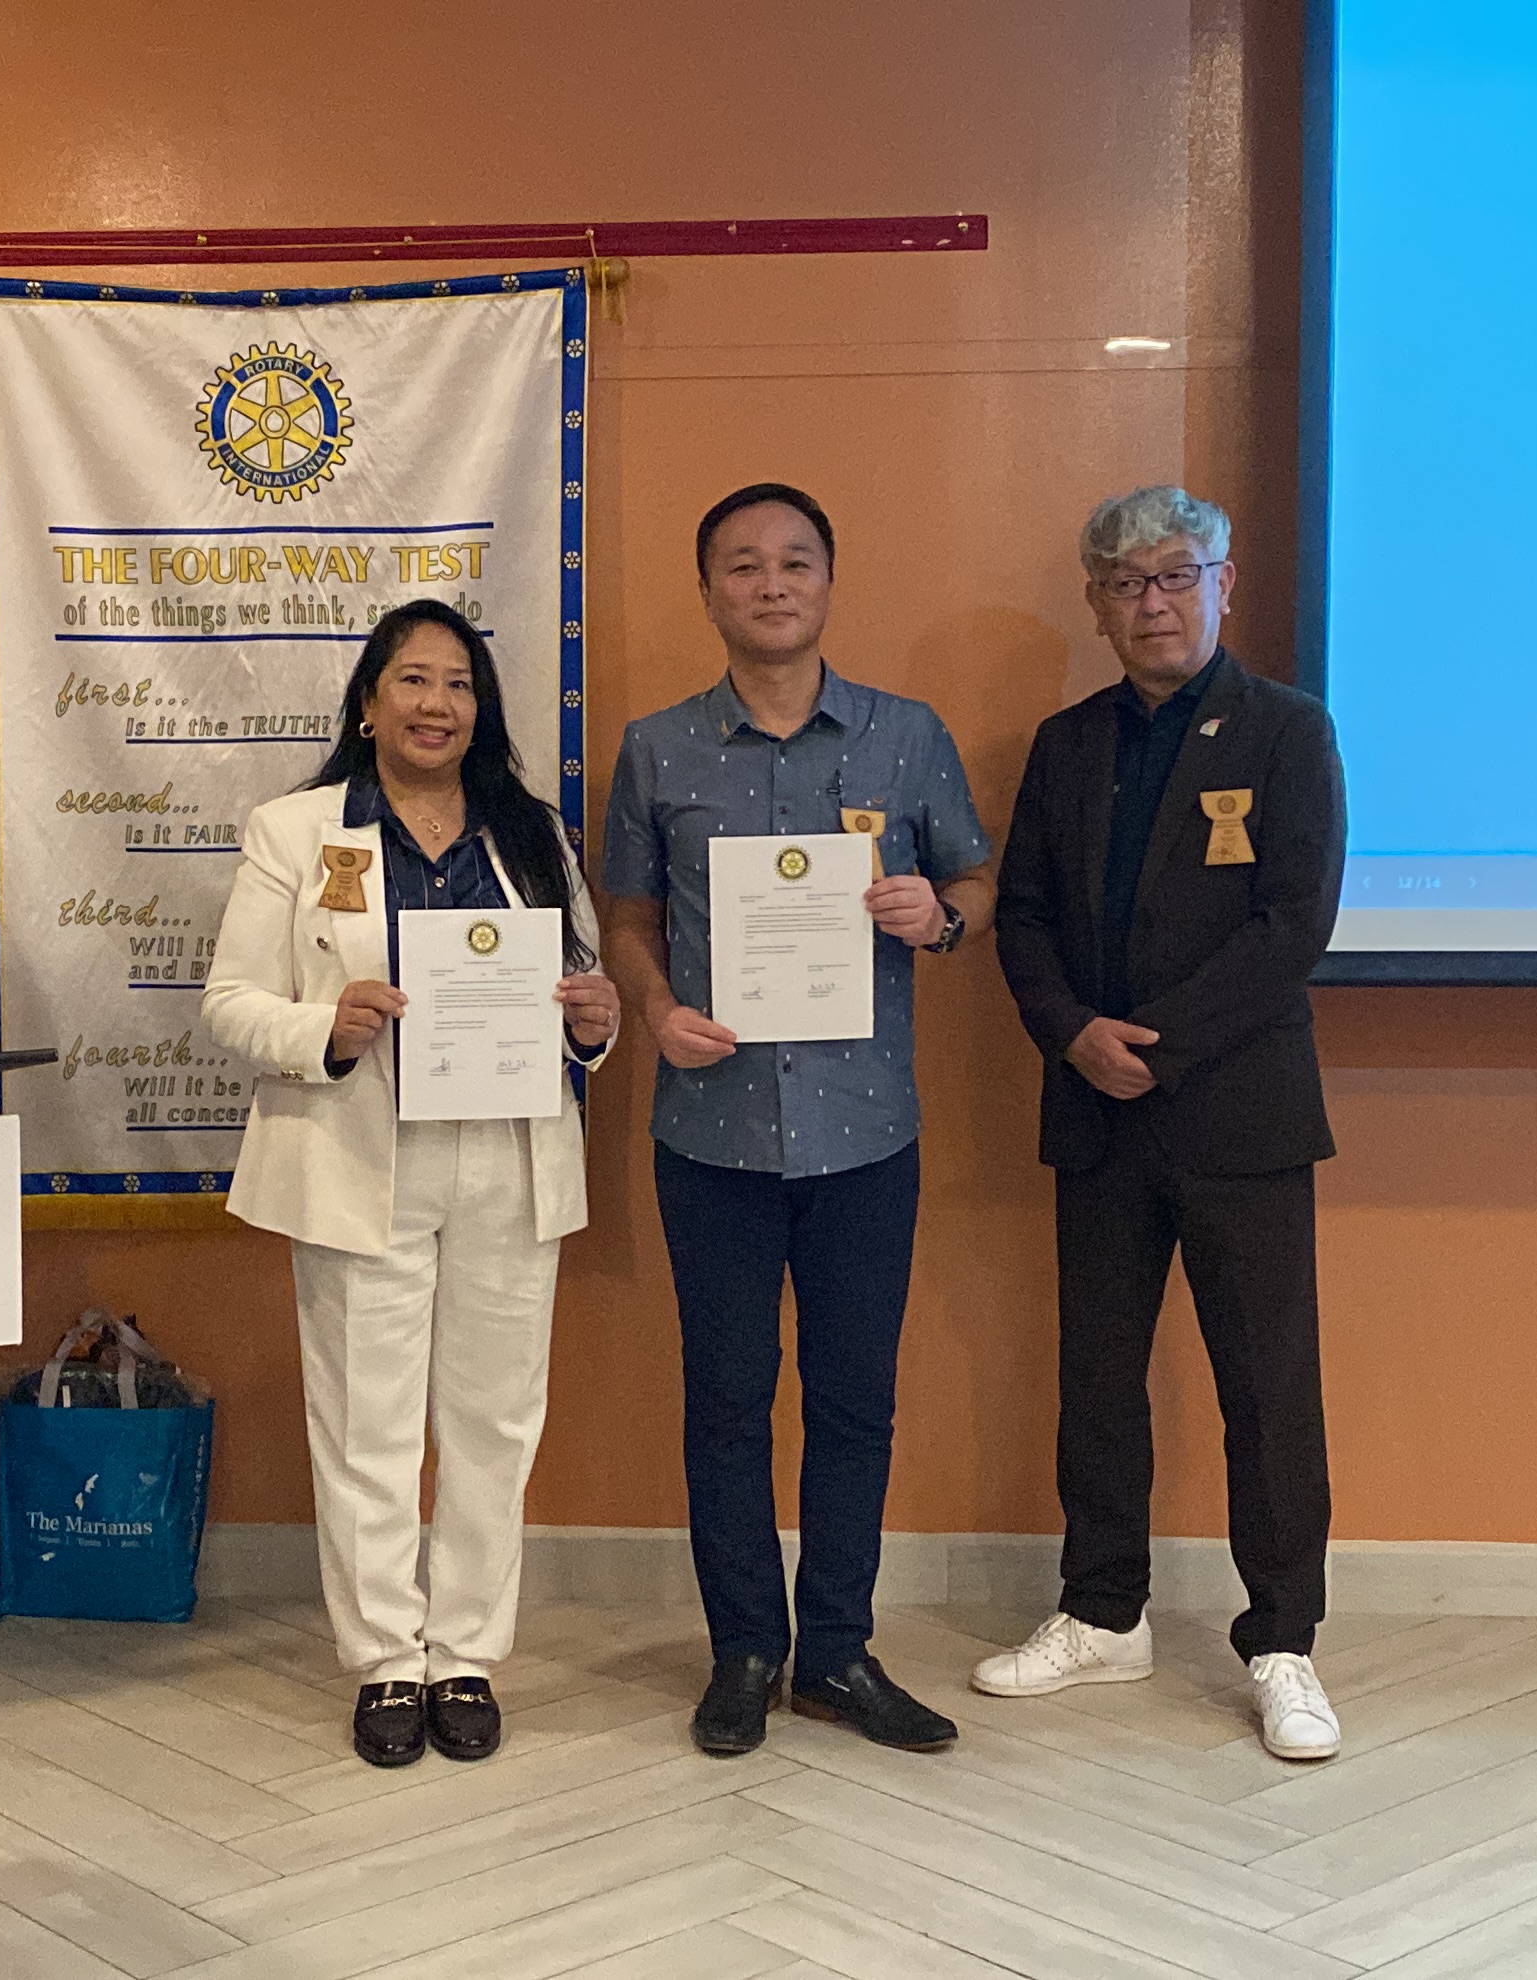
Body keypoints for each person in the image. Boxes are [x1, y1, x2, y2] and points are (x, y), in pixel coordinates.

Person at [599, 483, 995, 1758]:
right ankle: (743, 1653)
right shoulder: (658, 748)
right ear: (707, 590)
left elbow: (977, 882)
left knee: (854, 1402)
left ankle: (834, 1653)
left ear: (830, 581)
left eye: (795, 563)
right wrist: (653, 1010)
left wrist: (934, 916)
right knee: (723, 1400)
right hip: (708, 1130)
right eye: (742, 566)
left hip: (865, 1132)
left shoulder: (904, 734)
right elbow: (629, 919)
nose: (770, 585)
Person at [204, 599, 619, 1767]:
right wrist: (324, 1026)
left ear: (479, 710)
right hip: (356, 1152)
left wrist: (596, 1022)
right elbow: (229, 1002)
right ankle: (388, 1659)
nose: (435, 705)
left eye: (458, 685)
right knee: (366, 1423)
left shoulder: (528, 833)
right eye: (413, 681)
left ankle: (468, 1653)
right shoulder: (295, 832)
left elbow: (585, 997)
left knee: (494, 1421)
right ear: (367, 701)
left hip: (506, 1153)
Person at [976, 486, 1349, 1761]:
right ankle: (1102, 1611)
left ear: (1224, 583)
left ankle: (1284, 1641)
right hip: (1095, 1112)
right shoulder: (1067, 742)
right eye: (1126, 584)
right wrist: (1071, 1032)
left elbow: (1292, 925)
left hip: (1238, 1114)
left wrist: (1161, 1044)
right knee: (1097, 1377)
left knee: (1268, 1390)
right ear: (1095, 604)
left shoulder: (1289, 731)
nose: (1152, 603)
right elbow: (1019, 913)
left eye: (1175, 576)